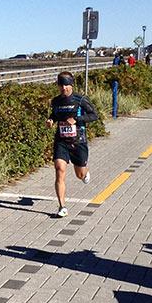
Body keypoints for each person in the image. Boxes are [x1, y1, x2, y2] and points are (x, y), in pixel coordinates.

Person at [46, 72, 98, 217]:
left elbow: (94, 115)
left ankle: (85, 173)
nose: (64, 88)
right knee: (59, 169)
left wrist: (77, 119)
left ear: (71, 85)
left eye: (66, 85)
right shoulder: (56, 101)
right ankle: (62, 207)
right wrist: (51, 120)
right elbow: (55, 115)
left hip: (78, 141)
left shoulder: (80, 100)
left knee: (79, 174)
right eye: (61, 85)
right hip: (61, 141)